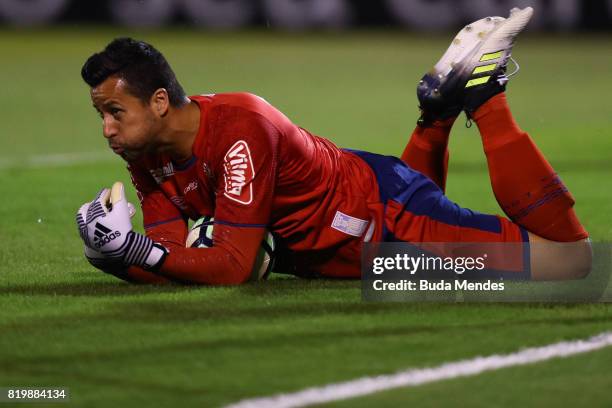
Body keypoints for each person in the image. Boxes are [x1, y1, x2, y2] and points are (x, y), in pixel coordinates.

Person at [76, 7, 591, 285]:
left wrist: (138, 252)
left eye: (115, 112)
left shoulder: (239, 127)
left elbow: (231, 266)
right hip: (348, 250)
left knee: (573, 264)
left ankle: (485, 97)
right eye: (101, 115)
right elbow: (172, 257)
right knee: (413, 271)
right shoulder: (148, 155)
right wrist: (118, 257)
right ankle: (435, 114)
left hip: (385, 216)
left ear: (160, 101)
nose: (107, 130)